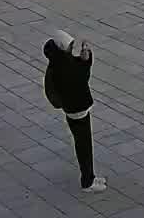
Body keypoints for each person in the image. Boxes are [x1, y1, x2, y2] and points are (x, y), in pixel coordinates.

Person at [44, 31, 107, 193]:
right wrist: (88, 59)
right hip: (77, 109)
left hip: (72, 108)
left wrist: (85, 57)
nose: (73, 48)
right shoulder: (63, 66)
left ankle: (90, 176)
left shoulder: (59, 60)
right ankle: (87, 182)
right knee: (84, 146)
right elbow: (81, 76)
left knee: (83, 143)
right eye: (71, 46)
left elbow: (76, 66)